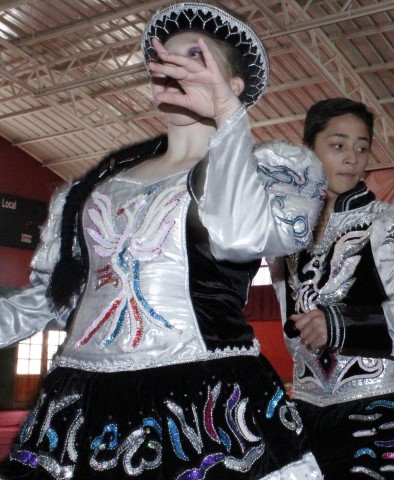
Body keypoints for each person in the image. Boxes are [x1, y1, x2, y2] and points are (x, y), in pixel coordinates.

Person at [0, 3, 325, 479]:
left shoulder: (272, 174)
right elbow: (54, 297)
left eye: (195, 56)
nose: (173, 67)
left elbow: (241, 236)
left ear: (235, 85)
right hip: (78, 407)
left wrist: (228, 117)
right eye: (164, 57)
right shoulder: (89, 191)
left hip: (203, 400)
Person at [275, 98, 394, 480]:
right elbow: (291, 334)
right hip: (306, 417)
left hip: (376, 413)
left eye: (361, 148)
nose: (351, 158)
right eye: (338, 145)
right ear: (308, 149)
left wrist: (342, 325)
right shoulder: (289, 235)